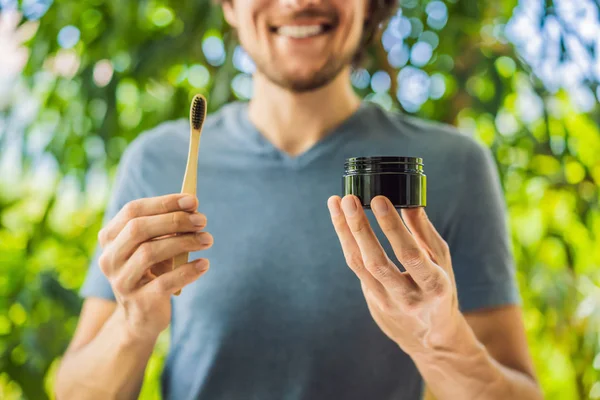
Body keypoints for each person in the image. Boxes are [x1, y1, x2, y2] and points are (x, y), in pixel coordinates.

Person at [55, 0, 543, 399]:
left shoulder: (451, 165)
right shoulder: (157, 162)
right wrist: (133, 325)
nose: (298, 2)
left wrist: (442, 343)